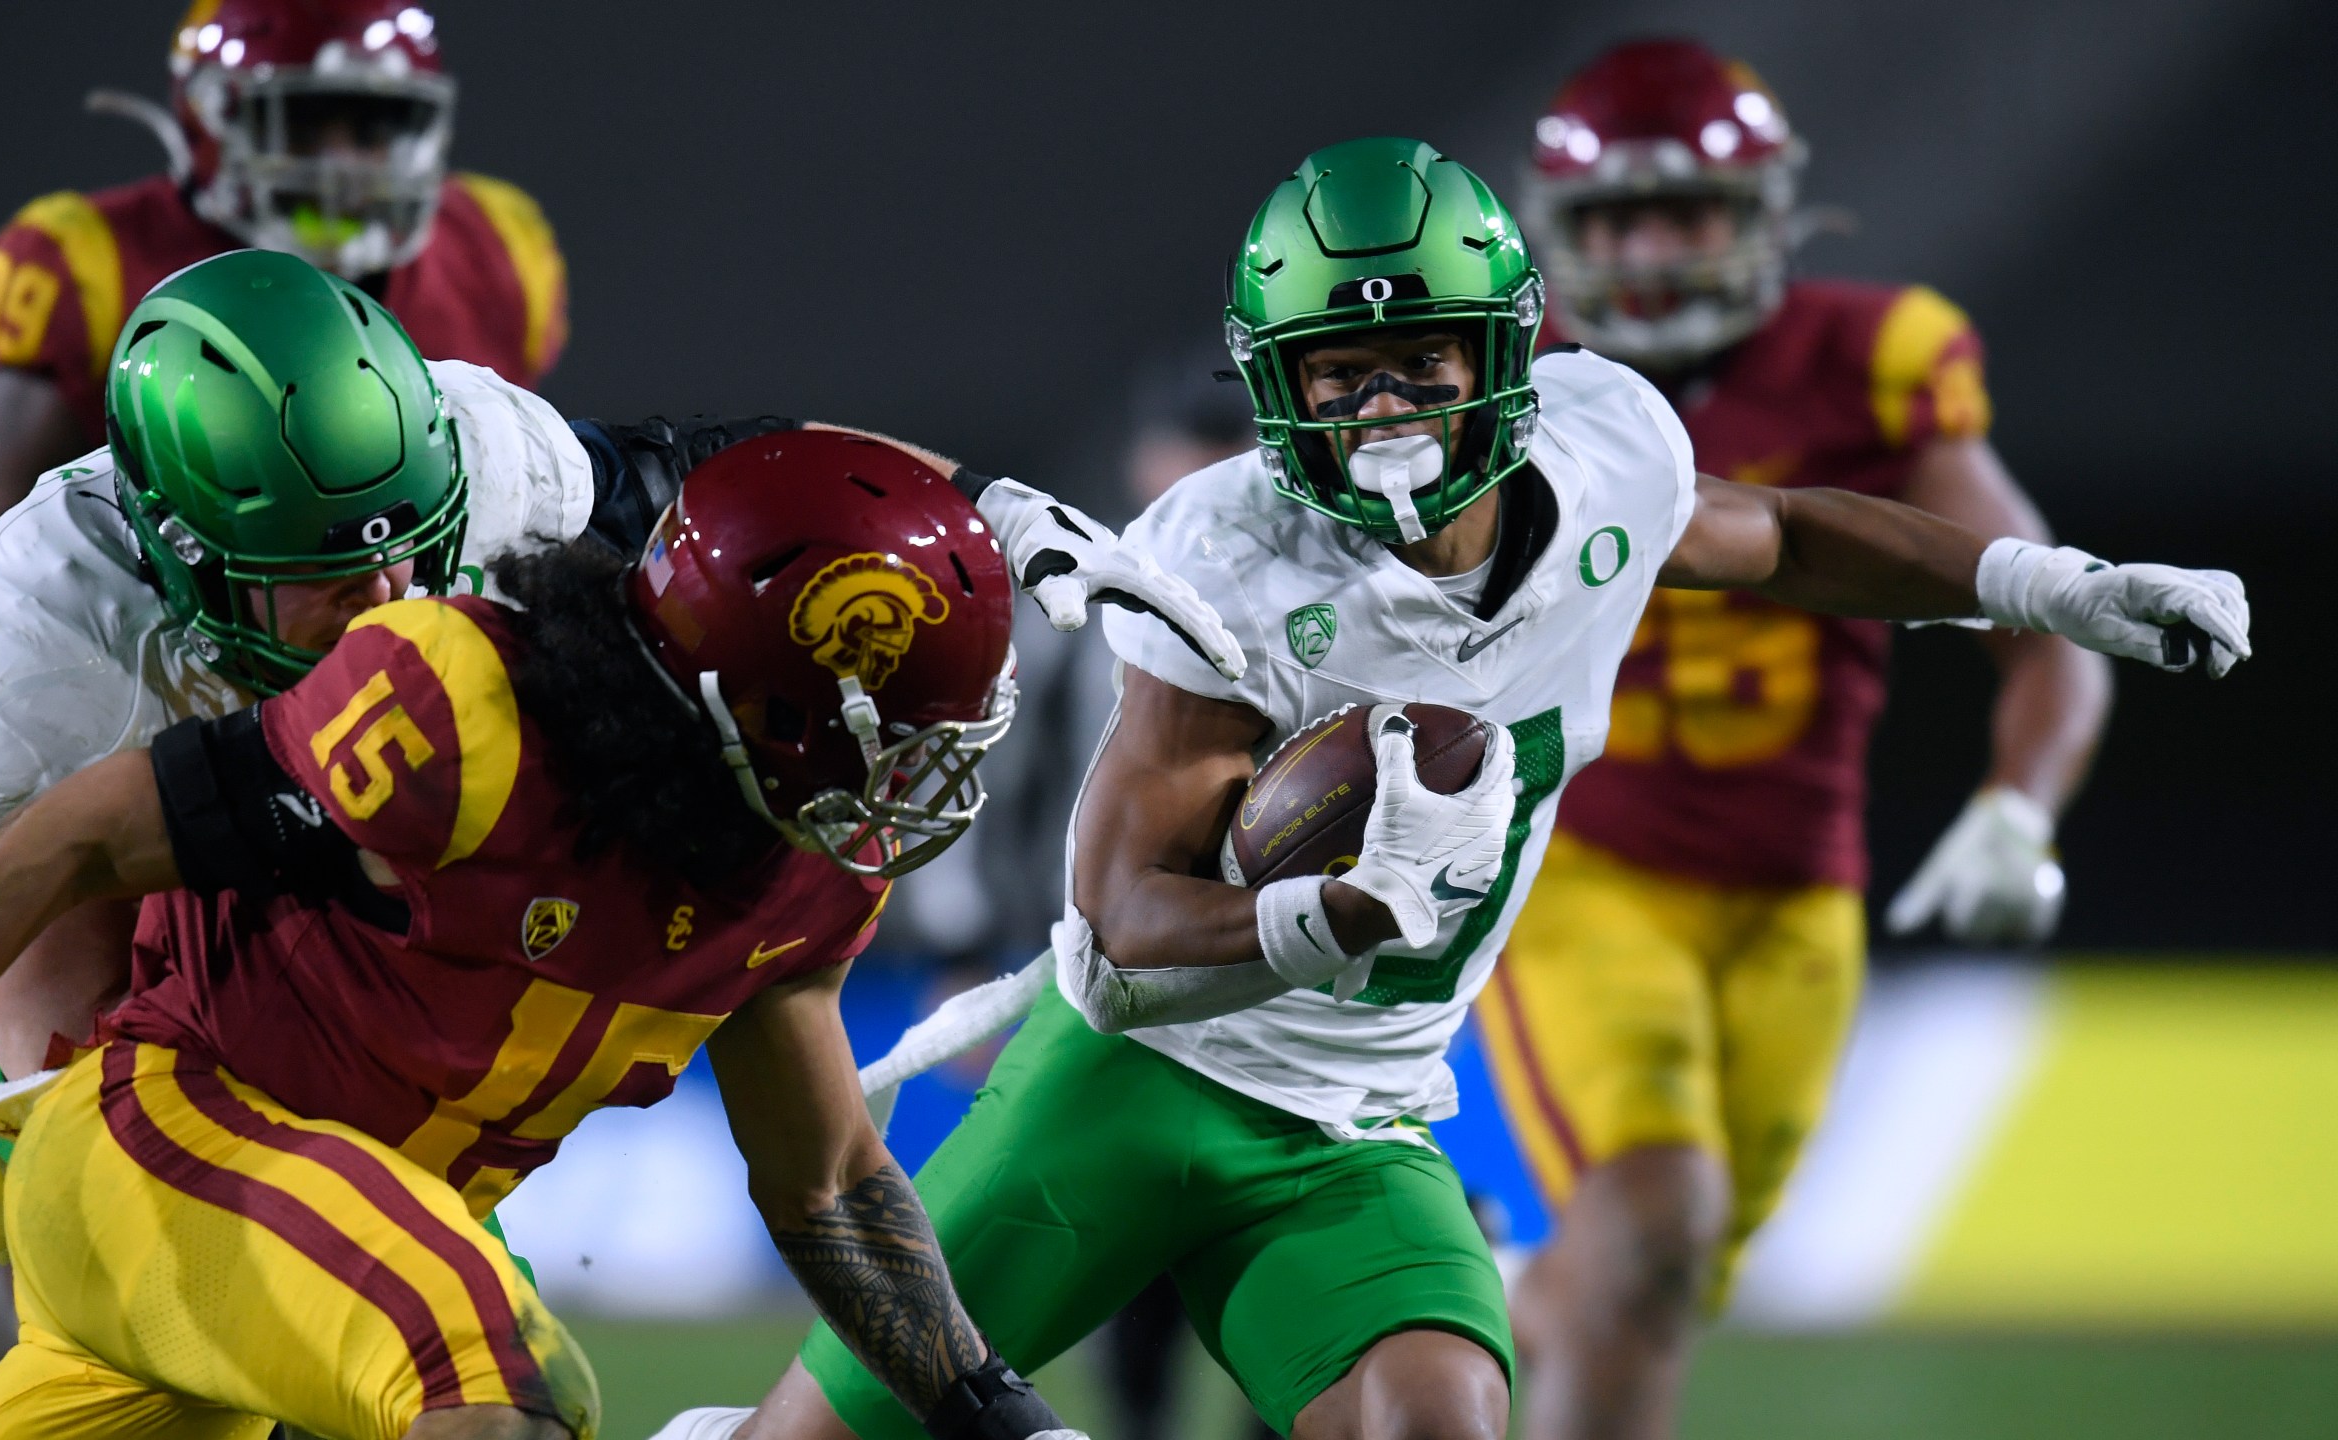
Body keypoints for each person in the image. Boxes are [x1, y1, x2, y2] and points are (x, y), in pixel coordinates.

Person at [649, 136, 2248, 1440]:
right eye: (1338, 374)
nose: (1385, 411)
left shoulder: (1613, 452)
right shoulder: (1228, 558)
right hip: (1129, 1092)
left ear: (1510, 355)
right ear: (1276, 387)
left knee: (1441, 1423)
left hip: (1360, 1117)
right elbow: (1121, 928)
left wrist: (2053, 588)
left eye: (1419, 360)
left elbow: (1786, 537)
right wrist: (1327, 911)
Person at [0, 249, 1238, 1361]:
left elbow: (737, 466)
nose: (390, 608)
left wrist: (991, 499)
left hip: (292, 860)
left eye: (412, 555)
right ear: (186, 557)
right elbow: (44, 916)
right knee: (77, 1270)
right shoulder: (23, 643)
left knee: (430, 1319)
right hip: (26, 916)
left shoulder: (486, 455)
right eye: (332, 575)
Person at [1482, 40, 2114, 1439]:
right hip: (1578, 872)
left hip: (1794, 895)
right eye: (1614, 219)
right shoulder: (1501, 384)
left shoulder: (1868, 361)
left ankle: (1496, 1311)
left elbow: (2041, 616)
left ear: (1763, 212)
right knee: (1655, 1216)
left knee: (1661, 1271)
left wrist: (2021, 805)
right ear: (1555, 231)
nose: (1649, 249)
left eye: (1685, 213)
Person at [0, 0, 569, 720]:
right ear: (211, 120)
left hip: (421, 667)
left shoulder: (494, 254)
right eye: (301, 123)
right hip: (173, 688)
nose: (343, 167)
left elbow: (516, 506)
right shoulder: (105, 268)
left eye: (371, 125)